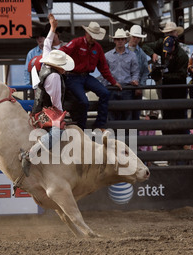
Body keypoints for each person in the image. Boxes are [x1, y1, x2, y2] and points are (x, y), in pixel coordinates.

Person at [19, 13, 74, 176]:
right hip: (44, 112)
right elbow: (56, 104)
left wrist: (52, 28)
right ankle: (29, 154)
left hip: (39, 107)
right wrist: (63, 115)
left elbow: (48, 43)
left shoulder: (45, 61)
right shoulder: (55, 77)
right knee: (58, 132)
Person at [60, 21, 122, 130]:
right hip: (73, 77)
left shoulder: (97, 48)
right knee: (84, 101)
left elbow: (103, 67)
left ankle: (100, 124)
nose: (93, 38)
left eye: (95, 36)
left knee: (105, 93)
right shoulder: (76, 42)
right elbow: (62, 52)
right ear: (87, 33)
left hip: (86, 76)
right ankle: (81, 128)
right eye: (91, 35)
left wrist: (113, 82)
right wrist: (60, 66)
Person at [142, 21, 189, 138]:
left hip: (179, 87)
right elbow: (145, 46)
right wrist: (152, 53)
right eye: (167, 33)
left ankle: (180, 141)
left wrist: (163, 75)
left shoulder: (183, 54)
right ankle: (168, 140)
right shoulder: (161, 44)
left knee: (179, 113)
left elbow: (182, 75)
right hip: (167, 86)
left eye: (171, 33)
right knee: (167, 112)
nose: (169, 36)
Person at [104, 28, 139, 121]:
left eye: (122, 39)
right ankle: (115, 135)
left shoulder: (132, 55)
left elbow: (135, 72)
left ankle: (127, 136)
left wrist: (135, 80)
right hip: (112, 88)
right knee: (112, 115)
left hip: (126, 88)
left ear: (125, 40)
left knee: (127, 114)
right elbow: (104, 72)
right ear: (114, 40)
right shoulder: (107, 56)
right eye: (118, 39)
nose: (120, 41)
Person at [126, 25, 150, 120]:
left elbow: (145, 72)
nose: (135, 39)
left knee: (135, 115)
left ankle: (132, 135)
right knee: (125, 115)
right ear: (130, 37)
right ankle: (128, 135)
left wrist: (140, 86)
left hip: (135, 88)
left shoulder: (142, 54)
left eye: (138, 37)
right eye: (134, 37)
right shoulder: (123, 50)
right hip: (125, 87)